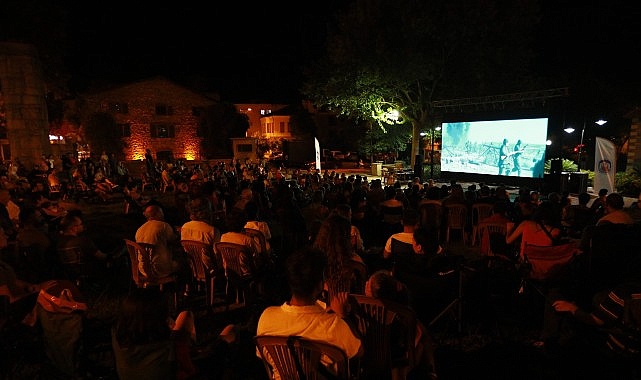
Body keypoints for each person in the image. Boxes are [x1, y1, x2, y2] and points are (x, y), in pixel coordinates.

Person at [255, 246, 363, 378]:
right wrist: (343, 316)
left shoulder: (267, 317)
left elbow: (262, 356)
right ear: (320, 285)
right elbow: (359, 352)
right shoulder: (334, 325)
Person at [111, 287, 238, 380]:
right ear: (157, 319)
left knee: (185, 315)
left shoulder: (118, 337)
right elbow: (192, 371)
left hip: (139, 371)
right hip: (187, 366)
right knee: (231, 331)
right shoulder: (172, 347)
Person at [365, 270, 438, 379]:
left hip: (366, 357)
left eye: (368, 283)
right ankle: (431, 371)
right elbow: (419, 335)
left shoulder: (362, 307)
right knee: (422, 339)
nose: (366, 283)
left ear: (370, 292)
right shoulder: (403, 314)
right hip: (396, 361)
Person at [135, 205, 182, 279]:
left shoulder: (139, 230)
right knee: (184, 262)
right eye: (161, 212)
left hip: (143, 269)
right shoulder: (163, 226)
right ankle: (183, 288)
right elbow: (175, 241)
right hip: (160, 270)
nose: (163, 215)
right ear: (157, 214)